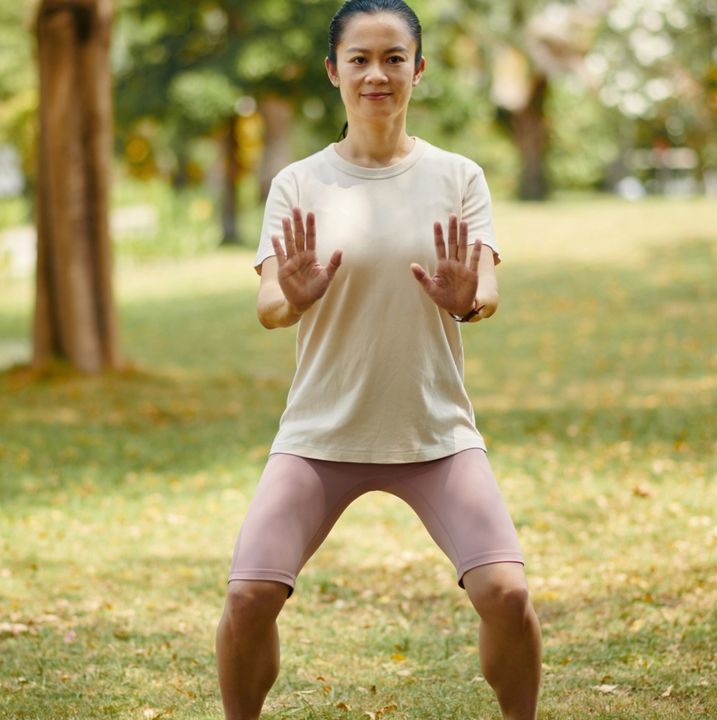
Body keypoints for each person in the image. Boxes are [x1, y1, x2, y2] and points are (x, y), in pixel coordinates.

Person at [214, 1, 542, 718]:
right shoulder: (300, 185)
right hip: (321, 435)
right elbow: (269, 305)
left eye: (394, 58)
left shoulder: (459, 176)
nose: (377, 74)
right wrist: (293, 298)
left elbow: (485, 287)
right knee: (248, 597)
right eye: (359, 59)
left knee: (508, 595)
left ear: (418, 71)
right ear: (333, 71)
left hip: (435, 433)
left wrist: (465, 299)